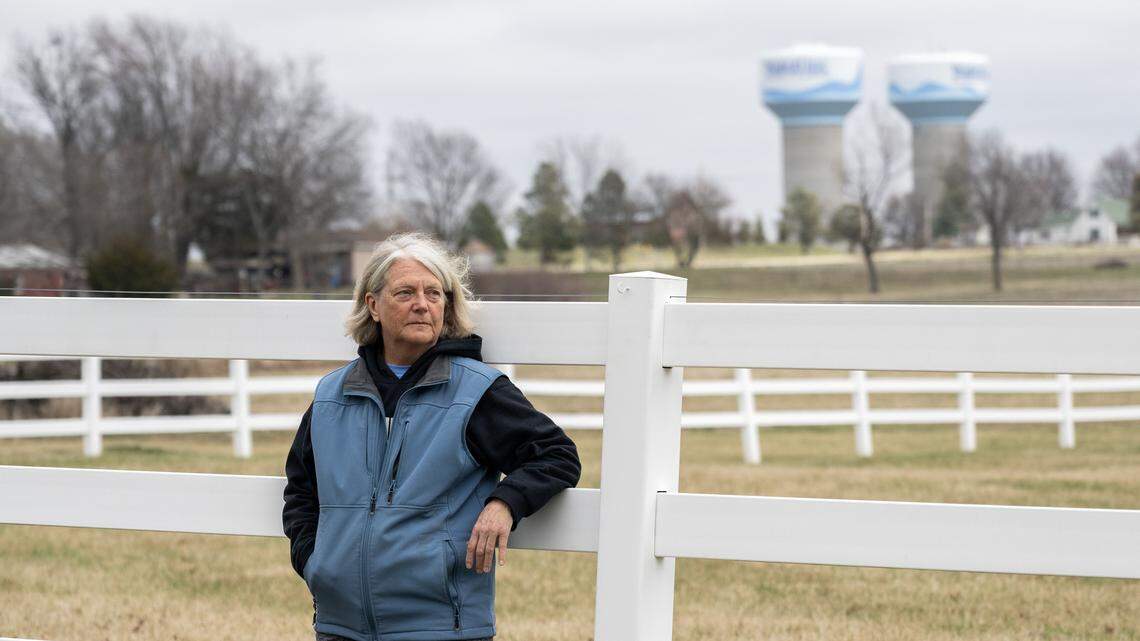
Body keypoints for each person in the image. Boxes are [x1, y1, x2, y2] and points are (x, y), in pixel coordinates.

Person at [282, 232, 582, 641]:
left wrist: (505, 502)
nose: (422, 304)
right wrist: (315, 562)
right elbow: (301, 489)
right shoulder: (332, 396)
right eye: (405, 292)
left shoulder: (477, 392)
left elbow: (557, 455)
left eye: (434, 293)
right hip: (339, 627)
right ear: (373, 305)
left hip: (442, 626)